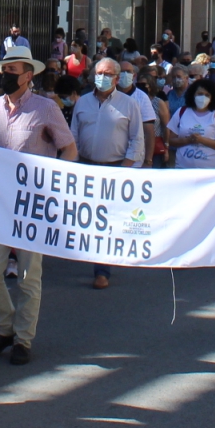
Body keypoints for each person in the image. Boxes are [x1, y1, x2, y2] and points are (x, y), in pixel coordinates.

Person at [0, 41, 76, 364]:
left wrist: (59, 184)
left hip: (33, 203)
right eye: (4, 70)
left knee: (30, 275)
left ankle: (23, 339)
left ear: (28, 75)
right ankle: (3, 328)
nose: (6, 75)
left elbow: (68, 148)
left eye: (12, 71)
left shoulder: (46, 108)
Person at [72, 58, 149, 288]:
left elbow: (137, 139)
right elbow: (73, 135)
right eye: (99, 73)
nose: (102, 78)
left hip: (115, 168)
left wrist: (125, 169)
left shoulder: (129, 104)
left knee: (106, 220)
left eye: (107, 74)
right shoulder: (83, 102)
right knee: (90, 218)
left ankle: (102, 269)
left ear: (117, 78)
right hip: (87, 166)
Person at [168, 75, 215, 169]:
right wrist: (188, 140)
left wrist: (201, 140)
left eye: (207, 95)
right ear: (193, 95)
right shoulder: (182, 112)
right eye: (200, 94)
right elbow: (171, 140)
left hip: (210, 170)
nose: (203, 97)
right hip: (183, 169)